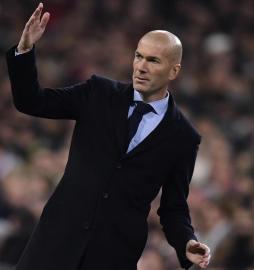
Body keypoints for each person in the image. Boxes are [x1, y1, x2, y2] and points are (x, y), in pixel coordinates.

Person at [5, 3, 211, 270]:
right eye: (138, 56)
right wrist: (24, 50)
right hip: (56, 242)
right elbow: (32, 102)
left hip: (113, 256)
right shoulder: (98, 93)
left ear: (174, 70)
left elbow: (173, 208)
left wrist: (187, 243)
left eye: (153, 60)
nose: (141, 67)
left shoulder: (183, 136)